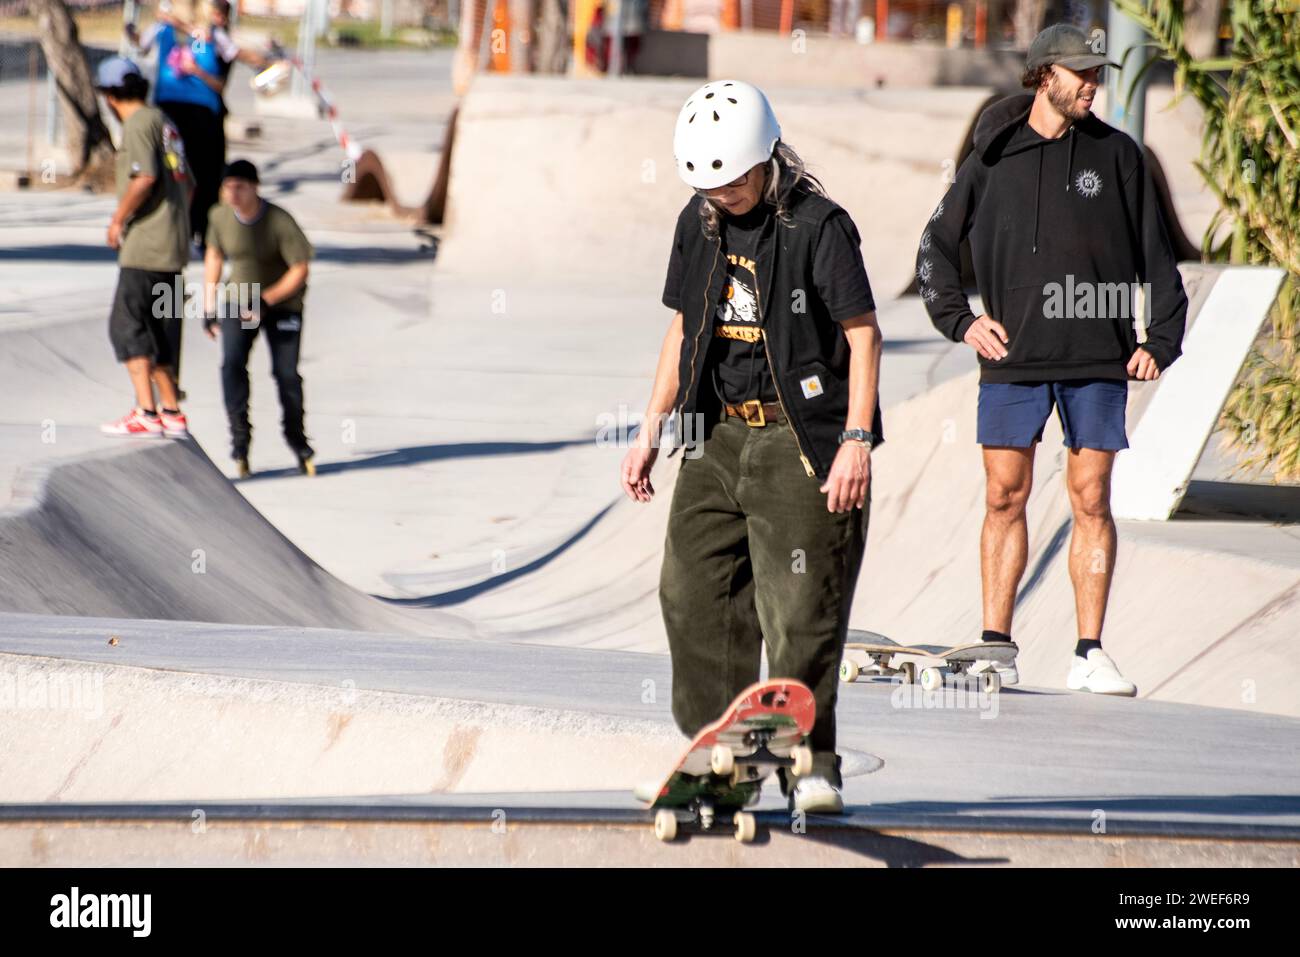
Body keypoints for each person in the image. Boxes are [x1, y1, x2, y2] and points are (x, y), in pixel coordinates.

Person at [622, 81, 885, 813]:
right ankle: (719, 753)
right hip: (713, 433)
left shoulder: (820, 227)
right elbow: (681, 331)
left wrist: (856, 440)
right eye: (708, 183)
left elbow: (864, 336)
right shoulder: (698, 220)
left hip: (798, 441)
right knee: (691, 593)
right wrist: (649, 430)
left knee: (800, 607)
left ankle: (812, 764)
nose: (723, 194)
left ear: (767, 159)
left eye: (734, 180)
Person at [916, 24, 1188, 696]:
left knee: (1092, 497)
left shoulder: (1120, 158)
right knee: (1004, 495)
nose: (1093, 83)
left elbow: (1158, 259)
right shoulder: (991, 158)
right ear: (1045, 76)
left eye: (1098, 73)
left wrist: (1161, 339)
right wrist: (962, 320)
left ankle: (1090, 651)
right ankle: (994, 648)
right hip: (1014, 359)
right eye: (1081, 73)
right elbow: (935, 249)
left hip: (1098, 356)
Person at [96, 56, 193, 440]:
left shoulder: (138, 124)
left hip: (145, 248)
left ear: (111, 96)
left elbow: (145, 176)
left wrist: (119, 219)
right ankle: (171, 411)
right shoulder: (165, 122)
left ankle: (146, 411)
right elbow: (189, 184)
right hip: (172, 247)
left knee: (127, 325)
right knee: (160, 329)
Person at [203, 160, 316, 478]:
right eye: (228, 187)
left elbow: (300, 268)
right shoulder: (219, 216)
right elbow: (214, 256)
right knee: (232, 364)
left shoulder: (279, 220)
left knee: (286, 374)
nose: (233, 194)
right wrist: (209, 307)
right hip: (239, 300)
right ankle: (240, 440)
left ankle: (297, 439)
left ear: (255, 187)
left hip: (282, 304)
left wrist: (266, 300)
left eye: (240, 187)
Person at [129, 0, 227, 254]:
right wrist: (132, 31)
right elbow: (141, 43)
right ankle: (173, 230)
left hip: (203, 114)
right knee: (174, 172)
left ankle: (201, 233)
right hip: (171, 110)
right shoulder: (164, 29)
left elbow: (229, 60)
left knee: (204, 175)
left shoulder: (210, 34)